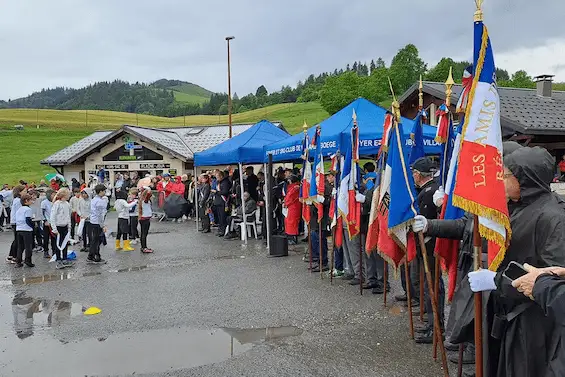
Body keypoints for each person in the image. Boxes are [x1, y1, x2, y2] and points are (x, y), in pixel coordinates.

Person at [410, 157, 444, 344]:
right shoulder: (430, 189)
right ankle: (433, 323)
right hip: (429, 246)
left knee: (432, 285)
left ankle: (436, 327)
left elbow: (425, 220)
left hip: (429, 247)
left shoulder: (429, 192)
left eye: (414, 173)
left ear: (418, 174)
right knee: (428, 285)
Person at [309, 174, 331, 272]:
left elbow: (329, 202)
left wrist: (323, 200)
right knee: (315, 241)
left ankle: (323, 262)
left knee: (321, 241)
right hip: (314, 219)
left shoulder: (325, 187)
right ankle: (318, 260)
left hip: (322, 218)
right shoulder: (314, 187)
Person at [50, 188, 74, 269]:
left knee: (65, 243)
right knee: (58, 243)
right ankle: (58, 259)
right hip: (58, 226)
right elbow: (52, 216)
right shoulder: (57, 204)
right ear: (64, 195)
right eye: (68, 194)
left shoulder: (67, 204)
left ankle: (64, 258)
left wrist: (69, 225)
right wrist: (54, 228)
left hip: (65, 226)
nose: (69, 195)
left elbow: (68, 215)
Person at [88, 184, 109, 264]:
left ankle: (91, 255)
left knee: (94, 239)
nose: (105, 193)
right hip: (97, 222)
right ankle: (96, 256)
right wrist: (102, 225)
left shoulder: (94, 200)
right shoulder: (100, 201)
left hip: (93, 221)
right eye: (104, 191)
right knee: (97, 240)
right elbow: (100, 214)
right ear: (100, 191)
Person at [14, 193, 35, 268]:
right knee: (28, 246)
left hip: (19, 229)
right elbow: (28, 220)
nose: (32, 201)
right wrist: (33, 226)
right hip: (26, 229)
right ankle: (28, 260)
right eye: (30, 200)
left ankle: (18, 261)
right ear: (26, 201)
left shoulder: (19, 209)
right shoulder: (28, 209)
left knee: (20, 246)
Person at [7, 185, 25, 264]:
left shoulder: (16, 200)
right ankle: (15, 257)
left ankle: (11, 255)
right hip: (17, 222)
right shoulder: (18, 201)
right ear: (19, 192)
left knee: (16, 239)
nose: (26, 192)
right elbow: (19, 212)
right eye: (24, 191)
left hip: (16, 221)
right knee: (18, 240)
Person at [283, 175, 301, 245]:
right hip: (291, 207)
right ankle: (290, 237)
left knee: (293, 222)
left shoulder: (295, 187)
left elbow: (290, 197)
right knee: (289, 222)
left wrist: (286, 203)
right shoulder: (293, 187)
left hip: (293, 207)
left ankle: (293, 238)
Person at [213, 170, 231, 236]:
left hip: (223, 202)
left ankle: (223, 230)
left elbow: (225, 192)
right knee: (219, 217)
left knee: (223, 217)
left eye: (217, 177)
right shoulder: (219, 182)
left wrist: (216, 192)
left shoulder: (225, 182)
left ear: (221, 176)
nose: (216, 178)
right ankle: (220, 229)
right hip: (218, 202)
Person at [138, 187, 154, 253]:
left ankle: (143, 247)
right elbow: (148, 194)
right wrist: (147, 189)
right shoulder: (145, 200)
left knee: (143, 233)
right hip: (145, 218)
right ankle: (144, 247)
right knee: (144, 233)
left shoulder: (141, 199)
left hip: (142, 218)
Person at [41, 190, 56, 259]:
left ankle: (54, 251)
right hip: (47, 223)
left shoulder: (55, 202)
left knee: (54, 238)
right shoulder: (44, 203)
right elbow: (42, 213)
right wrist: (45, 220)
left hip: (54, 223)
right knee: (46, 238)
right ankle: (46, 251)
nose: (54, 196)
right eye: (53, 195)